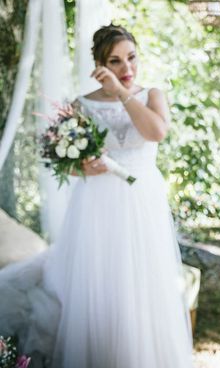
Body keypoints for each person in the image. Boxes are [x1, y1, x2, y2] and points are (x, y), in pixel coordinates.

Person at [0, 24, 193, 367]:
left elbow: (156, 132)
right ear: (100, 64)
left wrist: (121, 92)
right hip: (95, 205)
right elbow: (66, 162)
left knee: (141, 281)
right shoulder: (81, 104)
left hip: (141, 201)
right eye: (115, 61)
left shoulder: (152, 95)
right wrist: (83, 169)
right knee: (99, 280)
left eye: (131, 58)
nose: (126, 68)